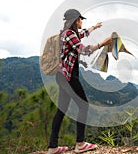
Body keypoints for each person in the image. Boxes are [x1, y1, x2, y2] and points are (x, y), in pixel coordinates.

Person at [47, 9, 112, 154]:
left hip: (62, 75)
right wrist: (103, 43)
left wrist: (95, 27)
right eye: (81, 19)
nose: (82, 22)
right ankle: (80, 143)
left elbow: (84, 33)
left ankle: (53, 147)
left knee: (61, 111)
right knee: (83, 105)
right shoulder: (69, 35)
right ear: (76, 20)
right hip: (68, 76)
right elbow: (84, 50)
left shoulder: (68, 33)